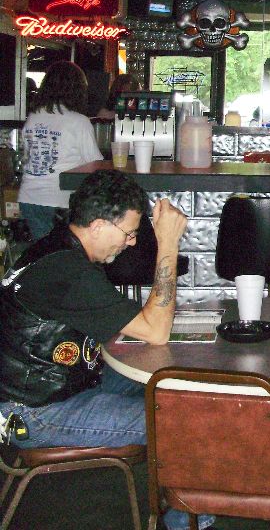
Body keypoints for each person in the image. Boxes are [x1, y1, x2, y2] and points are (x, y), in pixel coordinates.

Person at [0, 169, 213, 530]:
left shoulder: (56, 247)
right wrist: (168, 244)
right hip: (36, 411)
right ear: (98, 226)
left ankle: (178, 490)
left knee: (169, 383)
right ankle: (188, 523)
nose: (131, 242)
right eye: (129, 233)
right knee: (181, 421)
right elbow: (156, 330)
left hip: (61, 383)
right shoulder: (69, 272)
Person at [18, 61, 103, 240]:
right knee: (63, 252)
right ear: (77, 90)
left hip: (29, 198)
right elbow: (96, 165)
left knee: (43, 250)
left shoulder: (33, 117)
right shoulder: (79, 121)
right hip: (60, 201)